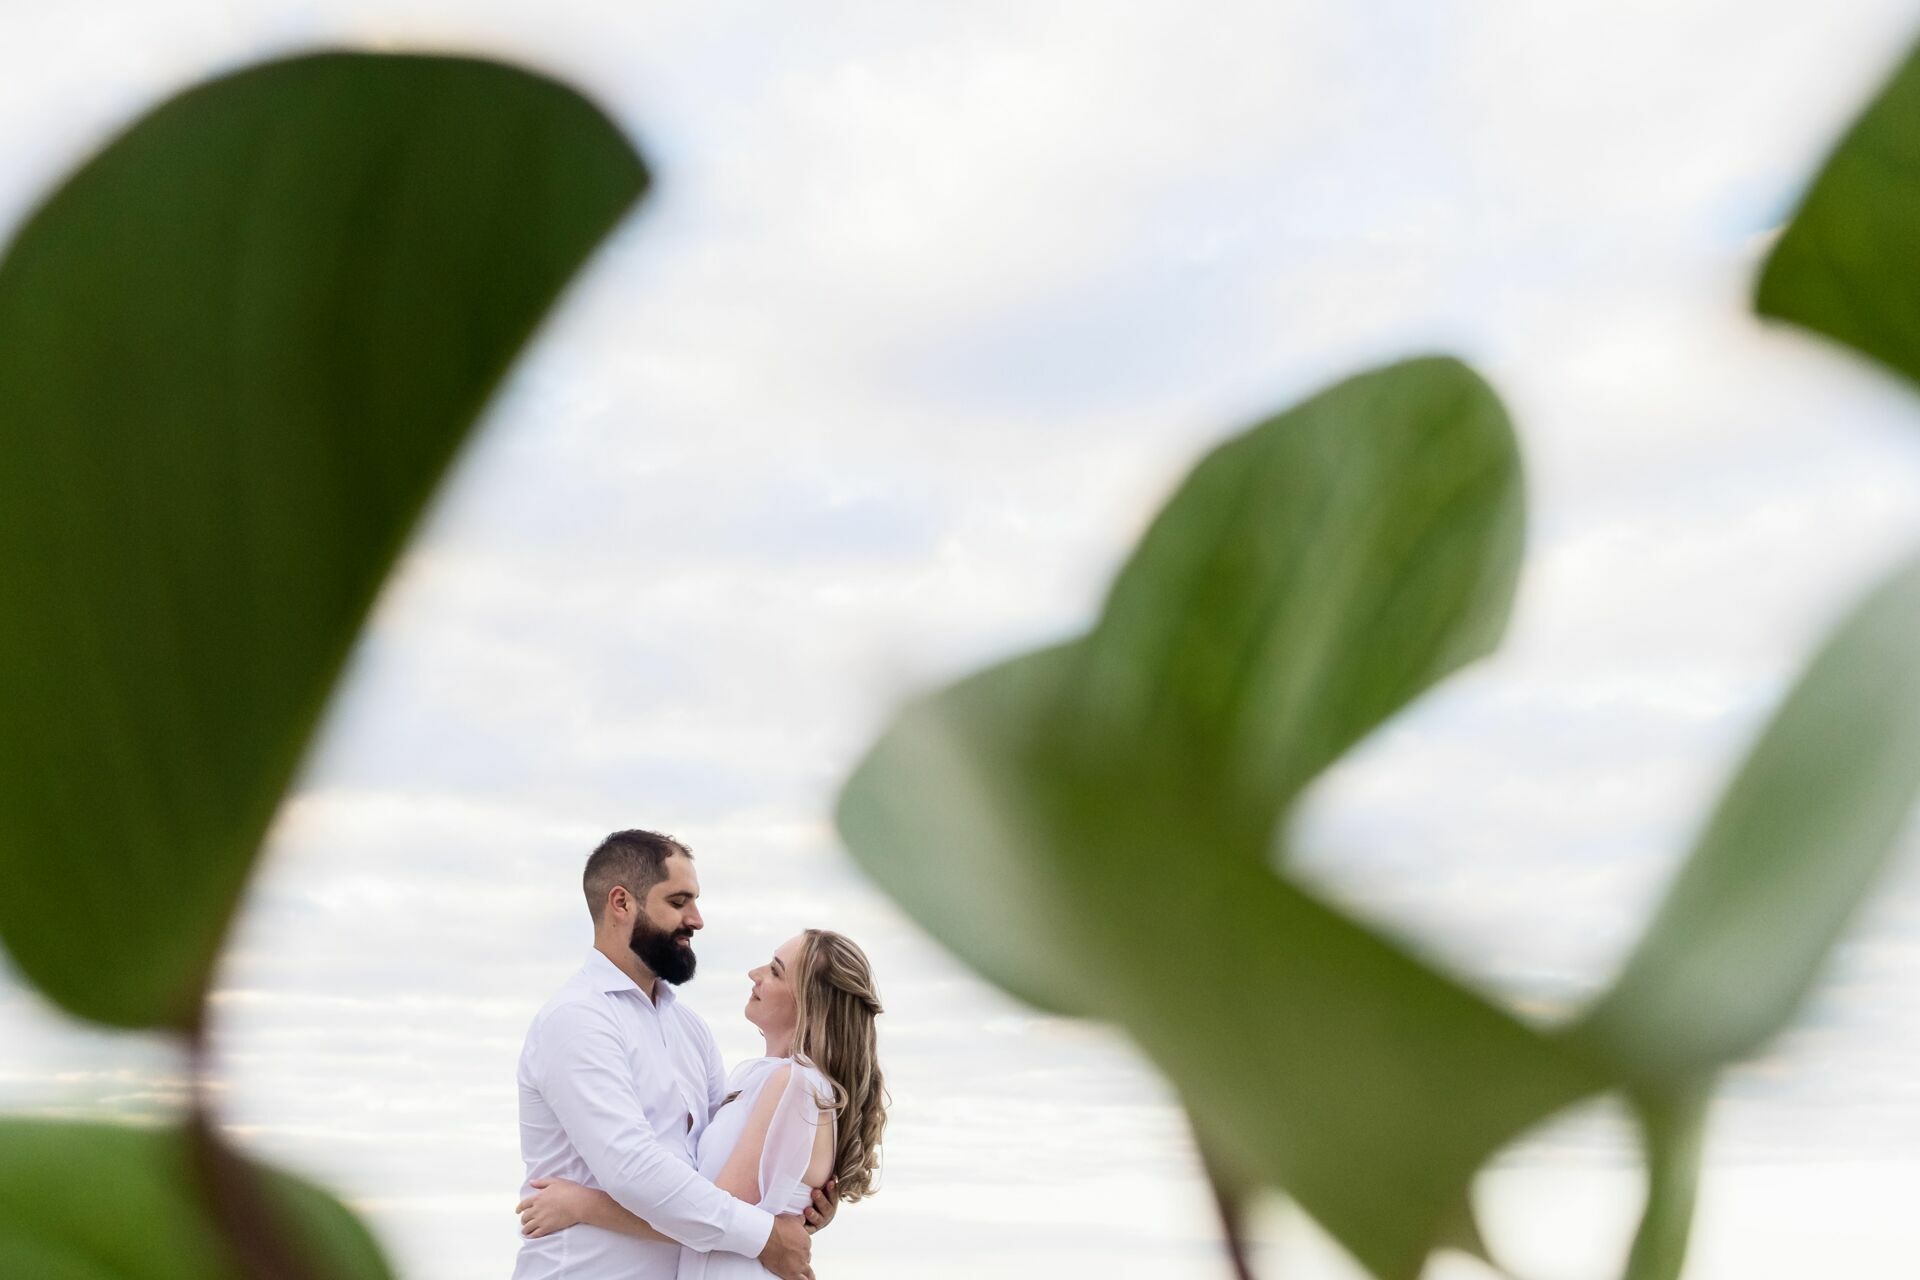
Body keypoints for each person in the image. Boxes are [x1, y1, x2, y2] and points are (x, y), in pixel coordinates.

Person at [511, 830, 832, 1280]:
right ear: (621, 904)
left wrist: (796, 1200)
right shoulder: (578, 1018)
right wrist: (766, 1235)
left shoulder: (689, 1029)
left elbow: (719, 1172)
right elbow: (632, 1168)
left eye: (695, 901)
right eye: (679, 902)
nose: (697, 919)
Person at [517, 927, 888, 1280]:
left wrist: (583, 1206)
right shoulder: (765, 1081)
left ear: (810, 1003)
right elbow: (712, 1207)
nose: (755, 974)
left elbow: (708, 1216)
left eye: (775, 971)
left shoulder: (792, 1084)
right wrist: (783, 1224)